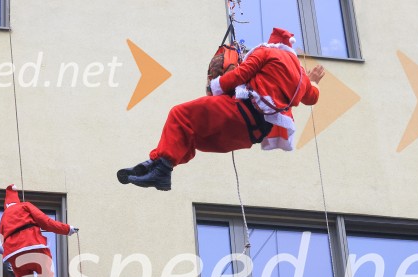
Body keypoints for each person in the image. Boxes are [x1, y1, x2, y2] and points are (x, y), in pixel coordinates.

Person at [117, 27, 326, 191]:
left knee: (179, 114)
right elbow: (312, 97)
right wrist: (313, 81)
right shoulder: (300, 77)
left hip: (238, 113)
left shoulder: (267, 52)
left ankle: (160, 168)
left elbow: (240, 75)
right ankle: (156, 165)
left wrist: (216, 87)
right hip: (250, 134)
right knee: (190, 136)